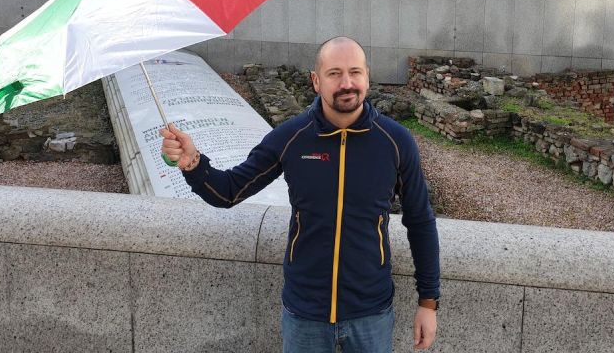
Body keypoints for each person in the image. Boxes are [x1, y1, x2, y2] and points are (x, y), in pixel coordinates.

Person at [159, 36, 441, 353]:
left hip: (371, 313)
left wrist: (428, 303)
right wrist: (193, 163)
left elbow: (420, 222)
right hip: (305, 314)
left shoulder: (395, 141)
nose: (347, 83)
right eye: (335, 73)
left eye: (355, 72)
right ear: (316, 81)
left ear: (367, 77)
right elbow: (228, 192)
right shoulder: (292, 137)